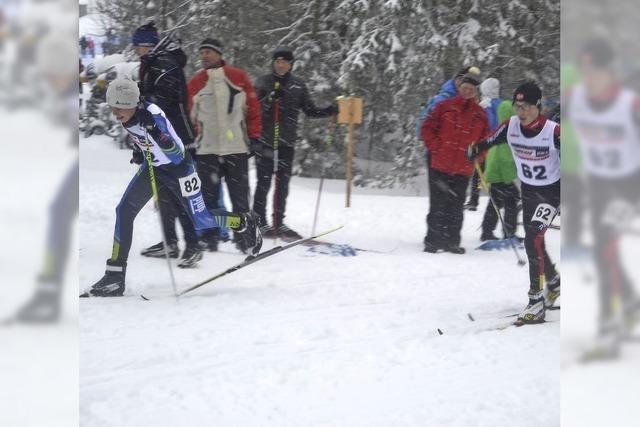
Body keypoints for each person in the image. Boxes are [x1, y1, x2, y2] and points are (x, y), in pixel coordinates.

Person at [82, 78, 261, 297]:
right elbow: (142, 137)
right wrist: (140, 151)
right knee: (124, 211)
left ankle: (244, 222)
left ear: (131, 103)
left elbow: (176, 154)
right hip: (155, 168)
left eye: (119, 108)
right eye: (112, 107)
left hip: (181, 171)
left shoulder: (153, 116)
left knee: (201, 220)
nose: (115, 113)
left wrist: (156, 133)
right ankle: (114, 276)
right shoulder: (130, 114)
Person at [566, 39, 640, 358]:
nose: (589, 76)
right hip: (597, 184)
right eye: (584, 69)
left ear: (610, 71)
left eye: (595, 69)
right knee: (602, 250)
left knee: (605, 248)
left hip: (628, 185)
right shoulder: (576, 100)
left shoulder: (629, 105)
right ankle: (630, 302)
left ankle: (608, 329)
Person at [468, 81, 560, 325]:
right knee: (535, 239)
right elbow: (489, 141)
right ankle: (553, 282)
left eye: (527, 106)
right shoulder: (511, 127)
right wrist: (475, 148)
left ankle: (536, 302)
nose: (522, 112)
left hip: (552, 193)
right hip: (530, 191)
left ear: (538, 106)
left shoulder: (553, 131)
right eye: (518, 106)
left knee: (533, 239)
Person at [131, 22, 201, 268]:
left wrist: (144, 99)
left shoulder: (163, 65)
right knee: (163, 194)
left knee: (181, 194)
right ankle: (169, 242)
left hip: (176, 140)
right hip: (159, 141)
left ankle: (194, 245)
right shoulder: (152, 64)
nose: (136, 50)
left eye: (138, 46)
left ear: (147, 45)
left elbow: (165, 105)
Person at [252, 45, 338, 239]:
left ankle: (278, 222)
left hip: (286, 142)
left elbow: (309, 110)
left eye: (284, 62)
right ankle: (259, 221)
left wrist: (329, 110)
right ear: (273, 63)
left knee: (283, 183)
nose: (280, 65)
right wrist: (269, 100)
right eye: (277, 61)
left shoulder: (298, 85)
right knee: (264, 182)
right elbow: (253, 109)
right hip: (265, 141)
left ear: (291, 65)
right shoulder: (263, 82)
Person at [188, 38, 262, 253]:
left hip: (235, 148)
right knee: (208, 200)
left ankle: (245, 240)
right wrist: (191, 142)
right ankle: (210, 237)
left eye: (209, 52)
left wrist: (255, 136)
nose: (204, 56)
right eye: (202, 52)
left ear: (219, 54)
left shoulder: (237, 76)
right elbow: (188, 115)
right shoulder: (195, 82)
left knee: (240, 199)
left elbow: (253, 107)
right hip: (206, 150)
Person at [421, 72, 489, 254]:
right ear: (459, 88)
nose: (467, 91)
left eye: (471, 89)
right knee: (437, 204)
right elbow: (427, 128)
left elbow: (485, 140)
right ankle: (433, 241)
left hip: (463, 168)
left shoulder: (480, 114)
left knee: (456, 206)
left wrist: (479, 155)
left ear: (475, 92)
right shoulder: (444, 106)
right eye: (465, 88)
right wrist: (437, 147)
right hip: (440, 165)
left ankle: (452, 241)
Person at [478, 78, 520, 241]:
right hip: (500, 175)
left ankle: (489, 231)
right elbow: (505, 160)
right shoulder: (505, 135)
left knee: (496, 203)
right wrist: (509, 179)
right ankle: (506, 232)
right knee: (509, 200)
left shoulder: (501, 133)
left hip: (495, 173)